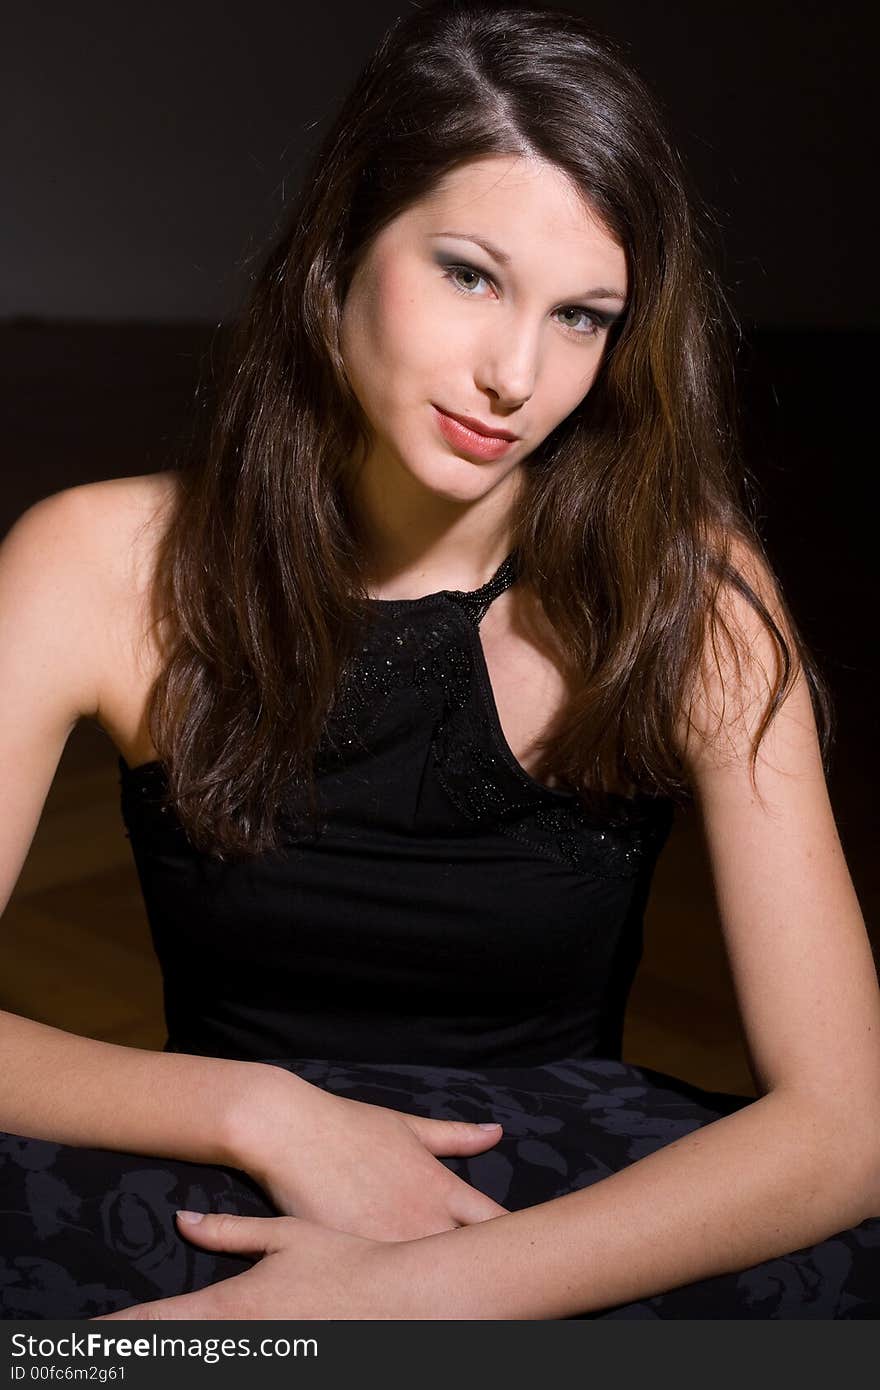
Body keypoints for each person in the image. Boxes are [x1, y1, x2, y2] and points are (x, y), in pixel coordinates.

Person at [1, 0, 878, 1321]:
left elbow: (848, 1124)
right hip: (220, 1174)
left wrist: (401, 1298)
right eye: (470, 274)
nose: (515, 374)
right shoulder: (94, 561)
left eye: (582, 316)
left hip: (546, 1205)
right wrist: (262, 1109)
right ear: (337, 253)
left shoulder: (686, 591)